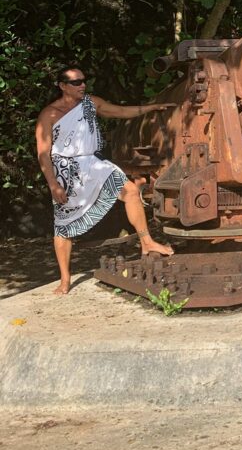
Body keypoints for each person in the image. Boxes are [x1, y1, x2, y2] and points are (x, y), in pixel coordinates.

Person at [36, 65, 175, 295]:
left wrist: (151, 108)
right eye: (76, 82)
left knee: (130, 191)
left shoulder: (90, 103)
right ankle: (65, 279)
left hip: (93, 164)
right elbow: (43, 153)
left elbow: (119, 112)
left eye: (84, 80)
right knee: (63, 225)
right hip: (65, 170)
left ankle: (147, 242)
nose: (83, 85)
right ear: (62, 86)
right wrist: (53, 184)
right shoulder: (49, 114)